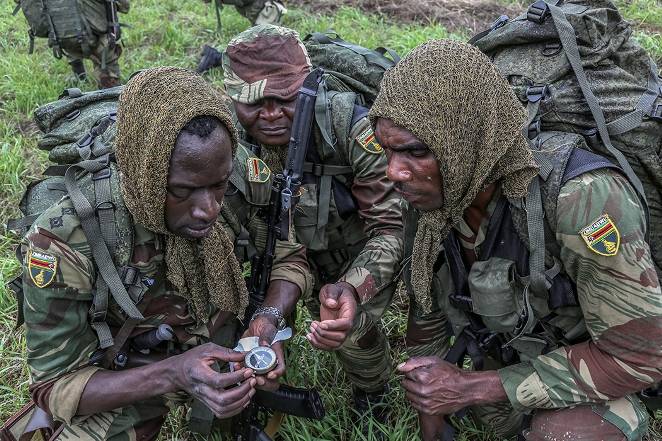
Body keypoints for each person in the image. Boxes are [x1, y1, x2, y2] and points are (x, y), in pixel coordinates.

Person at [317, 39, 662, 440]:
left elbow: (640, 356)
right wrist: (432, 410)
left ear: (465, 143)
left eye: (414, 151)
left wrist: (472, 387)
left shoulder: (579, 198)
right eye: (385, 150)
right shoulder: (441, 189)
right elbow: (427, 304)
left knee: (564, 432)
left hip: (606, 366)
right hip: (514, 352)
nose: (394, 172)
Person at [20, 66, 310, 439]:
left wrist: (267, 320)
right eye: (183, 190)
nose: (210, 209)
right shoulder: (65, 239)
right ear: (147, 176)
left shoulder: (236, 175)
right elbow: (54, 387)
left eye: (217, 186)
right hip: (130, 368)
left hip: (222, 330)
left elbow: (289, 255)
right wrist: (174, 373)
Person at [221, 24, 404, 418]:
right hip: (270, 243)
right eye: (255, 103)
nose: (271, 114)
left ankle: (372, 393)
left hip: (351, 245)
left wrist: (353, 288)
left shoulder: (349, 126)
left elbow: (391, 228)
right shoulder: (224, 140)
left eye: (285, 100)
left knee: (349, 328)